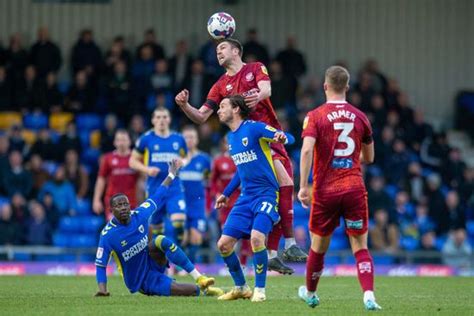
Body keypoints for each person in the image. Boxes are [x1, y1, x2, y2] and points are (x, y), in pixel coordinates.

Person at [175, 38, 306, 274]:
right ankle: (288, 245)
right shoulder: (219, 85)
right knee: (284, 183)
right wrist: (185, 106)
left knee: (282, 188)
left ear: (236, 51)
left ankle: (275, 252)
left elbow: (266, 88)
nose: (218, 52)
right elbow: (202, 116)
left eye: (222, 48)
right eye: (216, 50)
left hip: (267, 133)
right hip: (250, 143)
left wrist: (258, 97)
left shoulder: (254, 69)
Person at [297, 66, 381, 310]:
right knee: (360, 246)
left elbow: (306, 150)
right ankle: (368, 295)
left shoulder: (315, 116)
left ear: (325, 86)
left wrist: (303, 187)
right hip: (354, 188)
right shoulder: (361, 117)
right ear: (347, 87)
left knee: (318, 247)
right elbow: (370, 157)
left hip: (326, 191)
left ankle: (311, 294)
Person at [95, 159, 222, 297]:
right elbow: (101, 265)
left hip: (151, 261)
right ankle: (198, 289)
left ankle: (200, 278)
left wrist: (171, 175)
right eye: (119, 206)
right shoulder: (108, 235)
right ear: (112, 210)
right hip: (140, 280)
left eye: (125, 204)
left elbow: (158, 195)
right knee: (192, 291)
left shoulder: (140, 215)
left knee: (161, 240)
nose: (123, 208)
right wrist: (103, 290)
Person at [214, 95, 294, 302]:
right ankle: (241, 287)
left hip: (266, 194)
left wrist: (282, 138)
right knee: (223, 244)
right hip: (245, 197)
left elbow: (288, 138)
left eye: (223, 106)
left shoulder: (255, 128)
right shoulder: (231, 138)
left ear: (236, 109)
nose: (218, 110)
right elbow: (241, 170)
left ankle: (260, 290)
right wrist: (226, 193)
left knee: (257, 238)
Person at [129, 107, 187, 245]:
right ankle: (161, 261)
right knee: (156, 228)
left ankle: (179, 258)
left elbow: (186, 157)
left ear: (169, 119)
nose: (162, 120)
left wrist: (182, 162)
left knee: (178, 222)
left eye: (165, 117)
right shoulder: (146, 139)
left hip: (174, 187)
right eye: (158, 117)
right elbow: (132, 161)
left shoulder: (178, 139)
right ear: (153, 120)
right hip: (155, 188)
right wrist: (147, 169)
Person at [180, 125, 211, 263]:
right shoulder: (176, 160)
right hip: (180, 203)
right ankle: (180, 267)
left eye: (191, 137)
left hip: (197, 204)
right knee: (182, 237)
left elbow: (209, 182)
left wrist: (208, 206)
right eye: (186, 137)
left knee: (196, 237)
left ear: (197, 140)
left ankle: (190, 267)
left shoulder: (204, 160)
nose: (189, 140)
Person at [93, 129, 138, 220]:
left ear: (129, 141)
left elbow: (143, 180)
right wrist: (96, 200)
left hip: (132, 202)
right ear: (114, 142)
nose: (121, 143)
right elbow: (101, 179)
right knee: (115, 230)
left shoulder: (136, 159)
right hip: (113, 202)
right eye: (118, 140)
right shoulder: (107, 158)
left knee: (131, 231)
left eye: (124, 140)